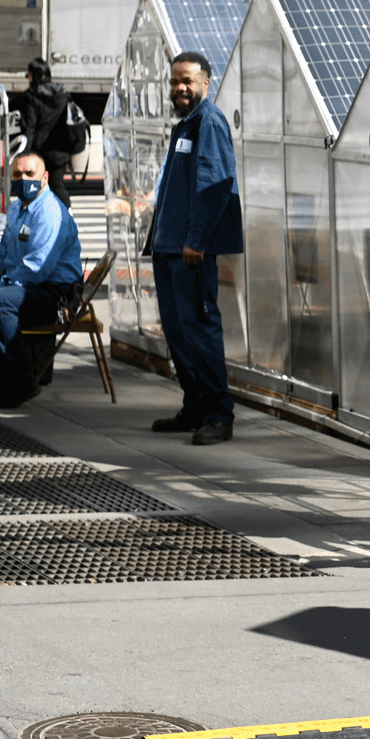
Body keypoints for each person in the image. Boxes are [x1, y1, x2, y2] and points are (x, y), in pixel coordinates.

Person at [150, 51, 243, 445]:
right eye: (174, 82)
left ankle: (219, 415)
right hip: (168, 248)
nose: (180, 88)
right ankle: (195, 406)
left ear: (206, 82)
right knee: (178, 332)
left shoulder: (209, 121)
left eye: (187, 80)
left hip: (189, 251)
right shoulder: (185, 125)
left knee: (201, 332)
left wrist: (197, 240)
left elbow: (215, 185)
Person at [0, 153, 81, 409]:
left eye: (29, 174)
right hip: (25, 284)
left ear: (44, 178)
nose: (23, 180)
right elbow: (2, 253)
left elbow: (38, 268)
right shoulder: (16, 208)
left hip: (54, 291)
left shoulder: (49, 212)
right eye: (17, 175)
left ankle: (21, 382)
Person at [17, 58, 73, 204]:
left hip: (40, 149)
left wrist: (25, 153)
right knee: (56, 185)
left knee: (37, 187)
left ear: (35, 76)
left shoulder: (31, 96)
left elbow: (29, 126)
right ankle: (66, 216)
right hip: (61, 147)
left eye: (29, 75)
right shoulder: (62, 93)